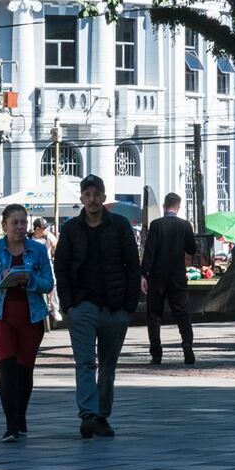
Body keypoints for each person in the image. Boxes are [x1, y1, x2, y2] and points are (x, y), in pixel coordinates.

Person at [55, 175, 140, 439]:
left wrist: (128, 306)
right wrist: (69, 305)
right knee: (84, 362)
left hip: (114, 308)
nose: (92, 199)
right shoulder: (71, 229)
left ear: (104, 197)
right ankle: (88, 415)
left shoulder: (120, 226)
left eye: (96, 194)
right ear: (81, 198)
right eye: (87, 195)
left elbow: (132, 266)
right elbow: (62, 269)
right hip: (82, 307)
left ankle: (102, 415)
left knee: (108, 364)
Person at [0, 205, 55, 442]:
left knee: (25, 369)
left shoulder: (38, 250)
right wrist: (0, 278)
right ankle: (10, 424)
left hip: (31, 316)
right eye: (15, 222)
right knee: (7, 369)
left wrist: (31, 279)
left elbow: (48, 283)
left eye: (23, 222)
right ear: (4, 225)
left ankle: (21, 415)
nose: (20, 227)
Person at [140, 192, 198, 365]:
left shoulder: (156, 225)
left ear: (165, 206)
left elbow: (149, 252)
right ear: (178, 208)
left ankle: (156, 352)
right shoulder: (185, 225)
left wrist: (143, 274)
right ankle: (187, 344)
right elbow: (192, 249)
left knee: (154, 314)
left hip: (157, 276)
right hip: (177, 275)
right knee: (182, 312)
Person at [32, 217, 63, 322]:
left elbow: (57, 247)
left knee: (53, 284)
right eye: (43, 228)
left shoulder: (49, 236)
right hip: (33, 266)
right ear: (37, 229)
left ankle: (54, 309)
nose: (46, 229)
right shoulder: (29, 239)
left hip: (47, 264)